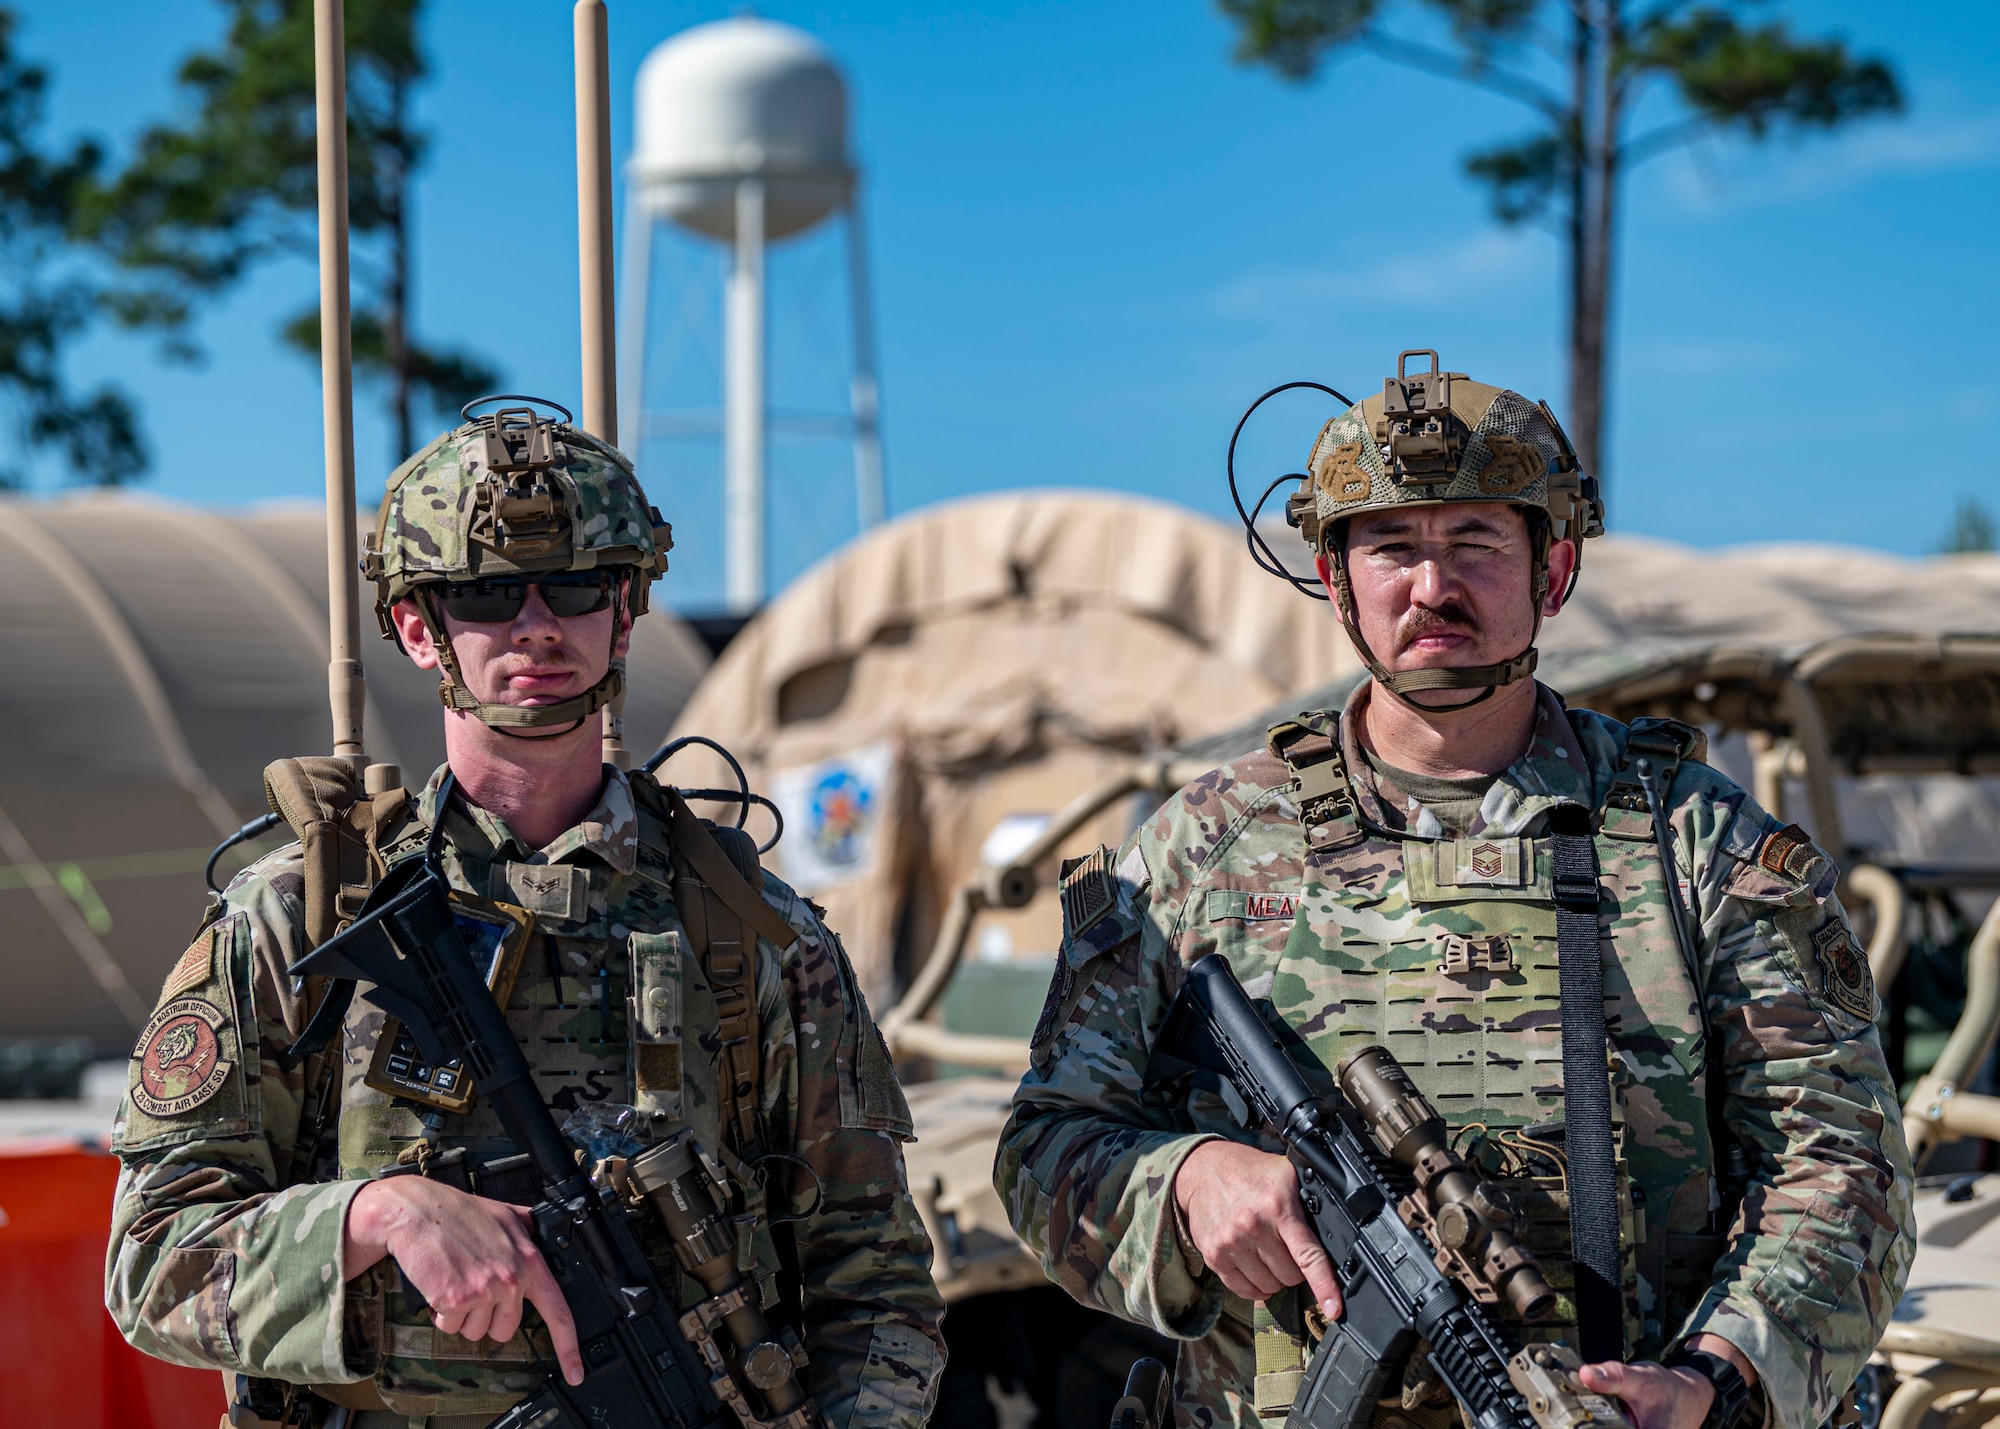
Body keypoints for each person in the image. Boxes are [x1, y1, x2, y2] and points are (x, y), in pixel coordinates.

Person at [995, 354, 1913, 1429]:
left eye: (1474, 543)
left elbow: (1838, 1163)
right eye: (1391, 547)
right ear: (1336, 583)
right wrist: (1187, 1183)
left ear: (1552, 571)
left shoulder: (1691, 842)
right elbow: (1045, 1146)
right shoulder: (1203, 848)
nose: (1431, 588)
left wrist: (1716, 1379)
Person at [105, 401, 945, 1429]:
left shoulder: (753, 937)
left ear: (624, 612)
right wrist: (372, 1214)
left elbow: (877, 1286)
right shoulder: (300, 919)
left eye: (578, 586)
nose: (537, 625)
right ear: (418, 627)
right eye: (490, 593)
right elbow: (151, 1262)